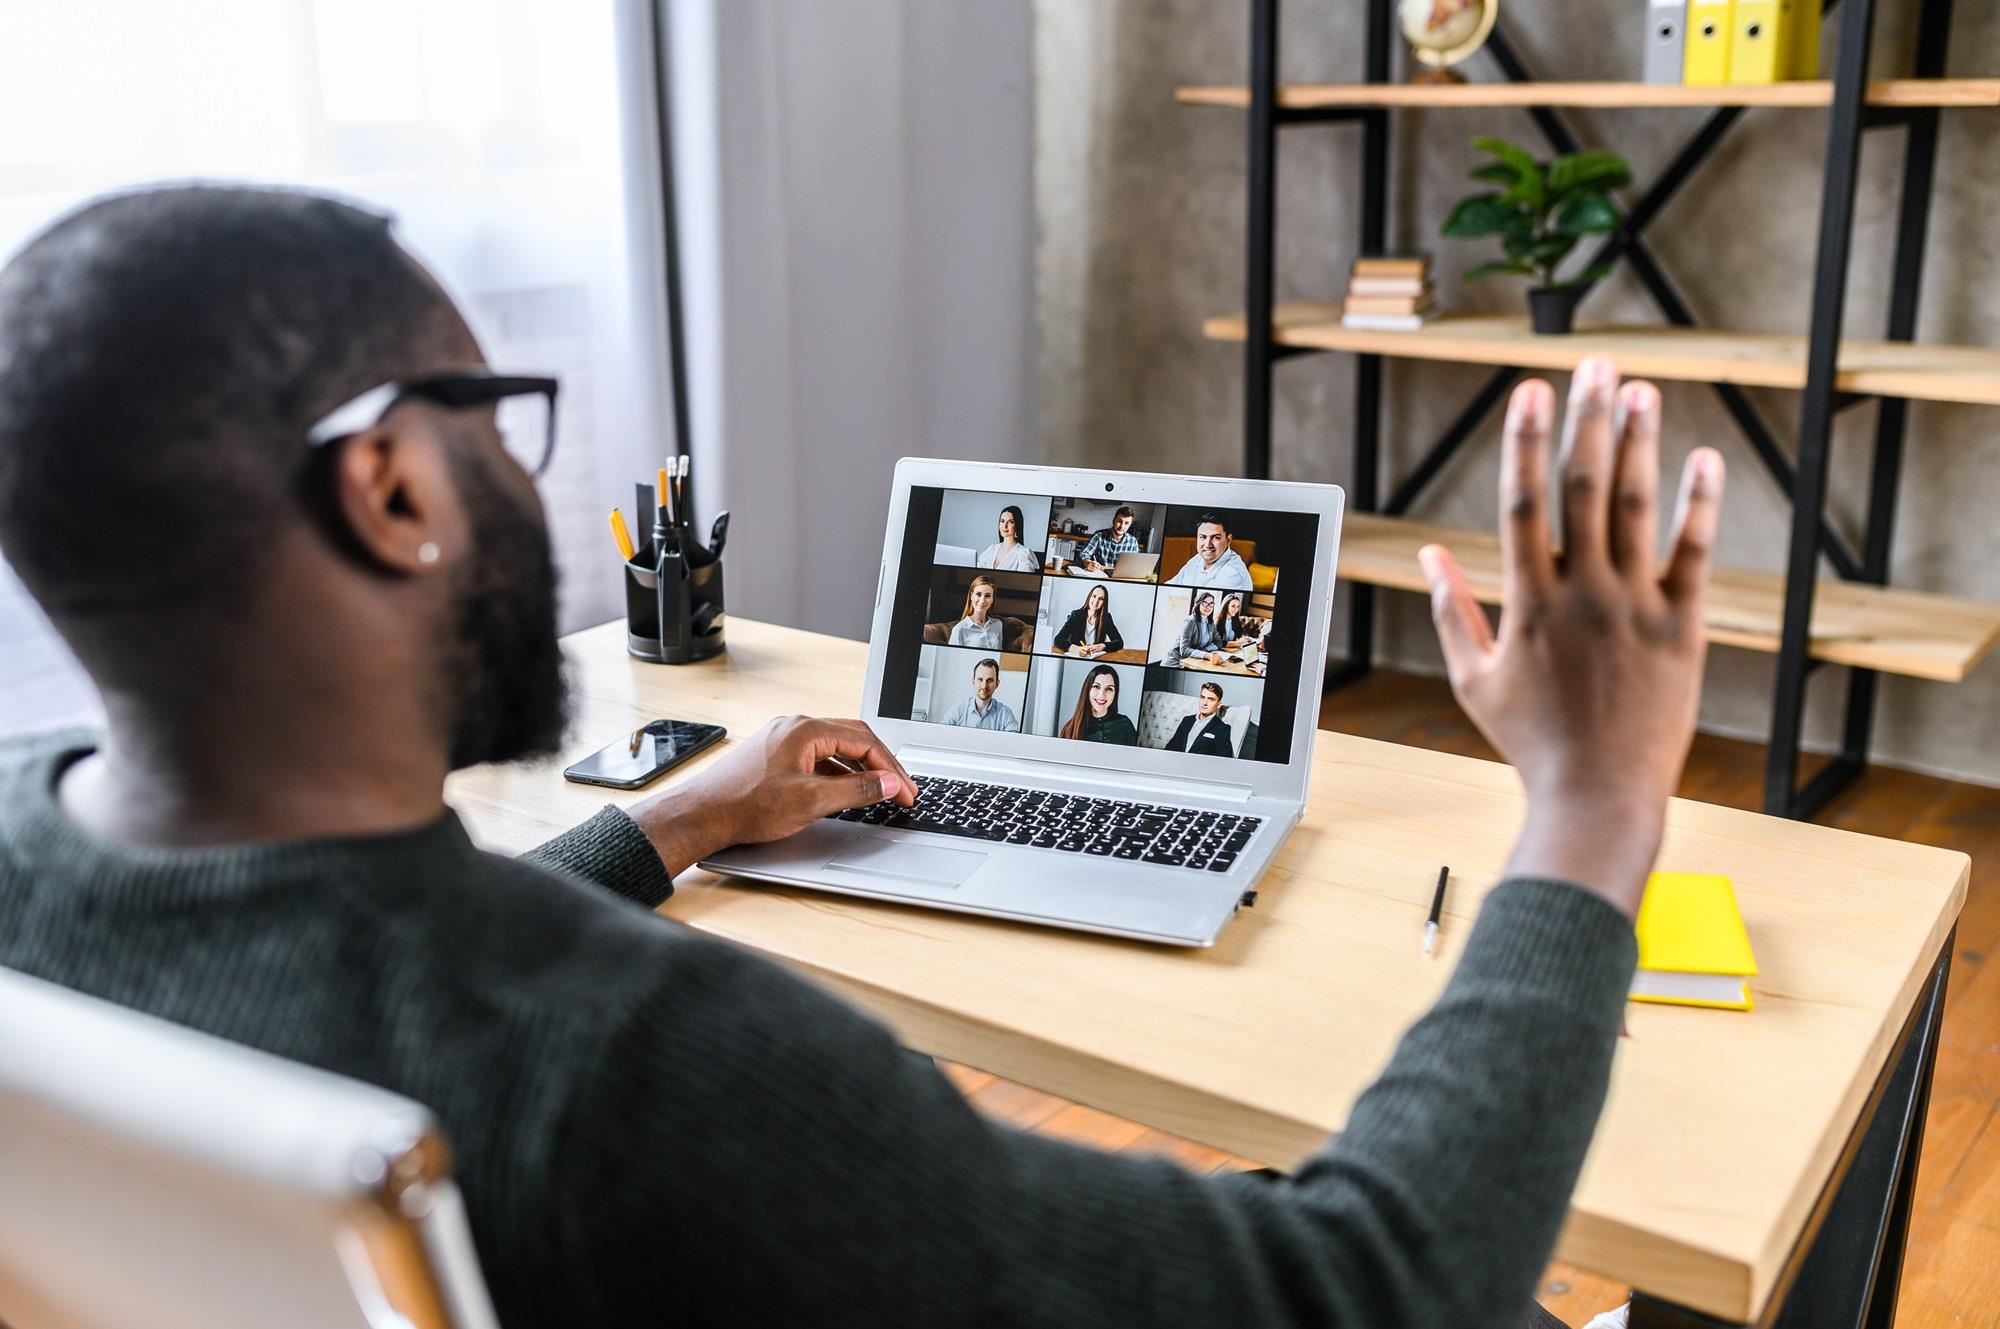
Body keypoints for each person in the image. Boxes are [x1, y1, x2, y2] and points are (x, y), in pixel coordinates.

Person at [0, 186, 1724, 1329]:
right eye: (500, 425)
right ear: (388, 488)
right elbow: (1379, 1289)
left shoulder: (28, 856)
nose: (532, 480)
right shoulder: (660, 1069)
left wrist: (679, 821)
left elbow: (356, 976)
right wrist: (1591, 803)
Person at [1168, 513, 1253, 590]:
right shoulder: (1198, 559)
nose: (1208, 544)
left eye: (1216, 537)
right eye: (1203, 537)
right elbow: (1170, 586)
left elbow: (1201, 603)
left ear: (1228, 540)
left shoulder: (1233, 574)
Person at [1056, 664, 1138, 744]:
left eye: (1109, 688)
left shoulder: (1125, 724)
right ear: (1088, 690)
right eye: (1097, 687)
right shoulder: (1070, 729)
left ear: (1115, 693)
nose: (1101, 695)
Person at [939, 657, 1018, 731]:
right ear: (973, 681)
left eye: (989, 680)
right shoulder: (958, 709)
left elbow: (1014, 742)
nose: (984, 686)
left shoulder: (1006, 714)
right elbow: (940, 733)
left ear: (997, 684)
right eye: (980, 679)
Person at [1164, 681, 1235, 756]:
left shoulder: (1223, 729)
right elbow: (1171, 747)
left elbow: (1224, 759)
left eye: (1210, 699)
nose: (1204, 703)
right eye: (1202, 697)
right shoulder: (1187, 720)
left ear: (1218, 705)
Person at [1052, 583, 1123, 657]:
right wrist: (1075, 649)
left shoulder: (1106, 618)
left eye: (1101, 599)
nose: (1096, 601)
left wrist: (1103, 646)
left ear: (1104, 603)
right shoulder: (1076, 615)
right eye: (1094, 596)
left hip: (1095, 657)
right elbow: (1057, 639)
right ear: (1089, 597)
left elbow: (1119, 642)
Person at [1164, 591, 1226, 666]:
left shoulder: (1210, 622)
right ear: (1198, 604)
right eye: (1205, 603)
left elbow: (1219, 642)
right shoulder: (1190, 622)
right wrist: (1207, 655)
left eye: (1211, 604)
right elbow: (1184, 650)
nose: (1208, 606)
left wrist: (1205, 650)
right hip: (1177, 661)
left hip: (1194, 661)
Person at [1075, 505, 1140, 573]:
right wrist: (1088, 563)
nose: (1122, 526)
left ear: (1130, 525)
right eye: (1119, 521)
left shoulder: (1133, 542)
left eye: (1126, 523)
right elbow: (1082, 555)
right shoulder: (1099, 536)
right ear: (1113, 520)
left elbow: (1134, 565)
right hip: (1099, 575)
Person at [977, 504, 1040, 573]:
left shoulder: (1023, 553)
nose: (1005, 525)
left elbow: (1025, 581)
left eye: (1011, 522)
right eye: (1002, 521)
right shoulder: (992, 549)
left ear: (1017, 525)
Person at [948, 574, 1004, 648]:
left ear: (992, 599)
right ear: (971, 596)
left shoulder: (998, 625)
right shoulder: (959, 630)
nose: (982, 600)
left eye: (987, 596)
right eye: (978, 594)